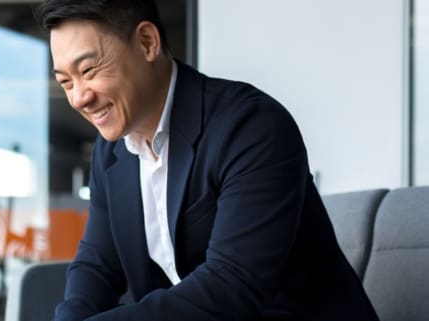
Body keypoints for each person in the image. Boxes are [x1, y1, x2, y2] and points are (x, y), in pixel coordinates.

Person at [36, 1, 379, 320]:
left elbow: (231, 285)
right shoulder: (109, 152)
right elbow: (96, 265)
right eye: (65, 81)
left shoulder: (251, 126)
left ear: (146, 42)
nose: (80, 97)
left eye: (90, 69)